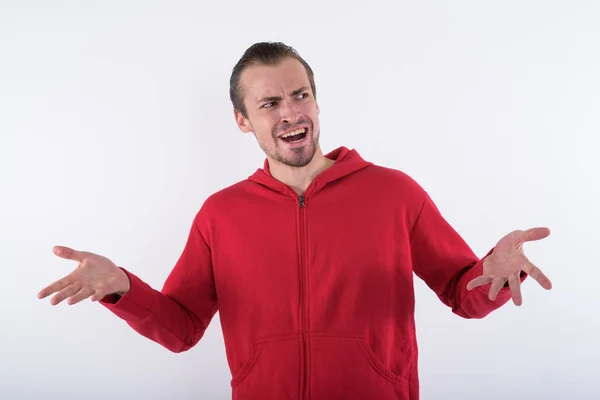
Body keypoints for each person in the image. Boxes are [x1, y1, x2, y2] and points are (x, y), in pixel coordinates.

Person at [38, 42, 553, 400]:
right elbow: (181, 329)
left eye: (300, 94)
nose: (290, 113)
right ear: (244, 120)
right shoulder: (221, 215)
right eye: (269, 103)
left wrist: (497, 271)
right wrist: (121, 288)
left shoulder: (394, 193)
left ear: (316, 100)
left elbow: (463, 293)